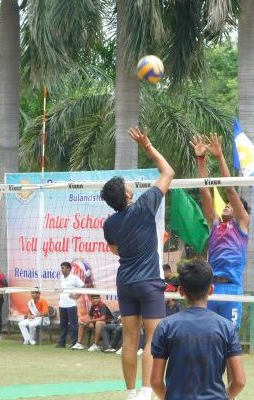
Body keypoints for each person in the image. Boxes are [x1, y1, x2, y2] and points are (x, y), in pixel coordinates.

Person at [101, 127, 175, 400]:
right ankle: (147, 391)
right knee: (152, 339)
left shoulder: (109, 223)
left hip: (126, 283)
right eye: (127, 185)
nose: (130, 185)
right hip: (148, 283)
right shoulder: (144, 206)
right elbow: (167, 172)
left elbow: (114, 250)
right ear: (127, 195)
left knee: (130, 339)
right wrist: (147, 145)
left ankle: (131, 393)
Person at [151, 260, 245, 400]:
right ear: (211, 289)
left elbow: (156, 382)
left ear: (181, 291)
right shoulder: (227, 327)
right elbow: (239, 381)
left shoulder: (165, 326)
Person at [191, 133, 250, 334]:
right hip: (212, 288)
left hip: (232, 289)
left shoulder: (242, 224)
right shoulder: (215, 224)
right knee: (207, 338)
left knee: (230, 341)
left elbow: (231, 191)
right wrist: (201, 159)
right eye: (225, 204)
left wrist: (220, 157)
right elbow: (204, 191)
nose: (226, 204)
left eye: (231, 205)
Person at [56, 261, 85, 348]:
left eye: (63, 268)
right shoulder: (61, 277)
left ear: (68, 269)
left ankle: (74, 343)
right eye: (61, 268)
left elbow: (83, 287)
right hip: (62, 305)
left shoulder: (74, 278)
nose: (61, 270)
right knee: (63, 325)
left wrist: (76, 296)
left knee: (73, 325)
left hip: (71, 305)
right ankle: (62, 343)